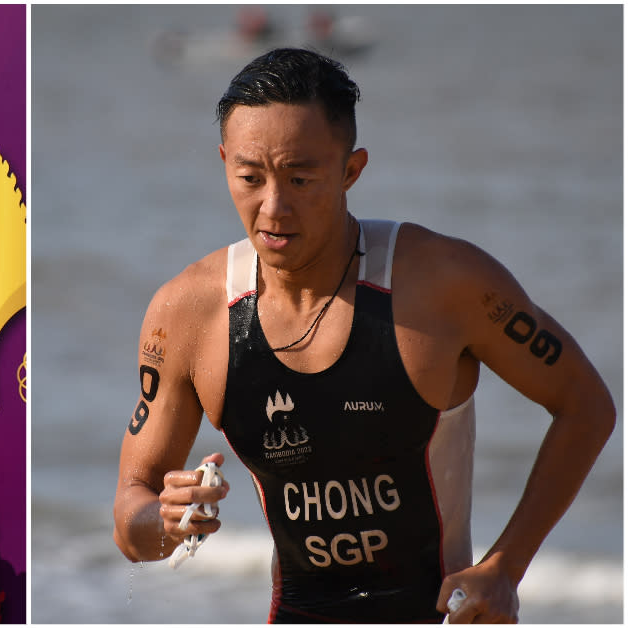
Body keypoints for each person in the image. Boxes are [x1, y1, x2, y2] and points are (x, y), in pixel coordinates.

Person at [112, 48, 614, 623]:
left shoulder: (443, 282)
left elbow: (586, 404)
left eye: (301, 178)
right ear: (224, 161)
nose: (273, 207)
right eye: (250, 177)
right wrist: (166, 520)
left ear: (351, 170)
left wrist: (506, 567)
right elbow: (132, 520)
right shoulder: (189, 314)